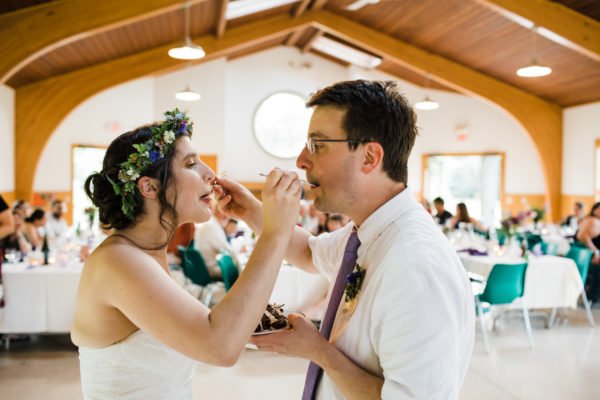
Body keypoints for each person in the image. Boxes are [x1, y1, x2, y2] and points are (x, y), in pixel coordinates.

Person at [216, 80, 474, 399]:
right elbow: (310, 254)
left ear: (369, 157)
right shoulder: (368, 230)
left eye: (318, 144)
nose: (300, 161)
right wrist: (253, 212)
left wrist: (318, 351)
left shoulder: (416, 267)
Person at [70, 109, 302, 399]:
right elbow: (220, 347)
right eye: (192, 164)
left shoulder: (147, 253)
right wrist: (274, 231)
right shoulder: (118, 260)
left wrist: (261, 218)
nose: (210, 174)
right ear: (149, 187)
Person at [576, 202, 600, 302]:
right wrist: (596, 252)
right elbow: (581, 236)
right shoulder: (593, 220)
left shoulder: (590, 219)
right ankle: (593, 294)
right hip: (589, 258)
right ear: (595, 209)